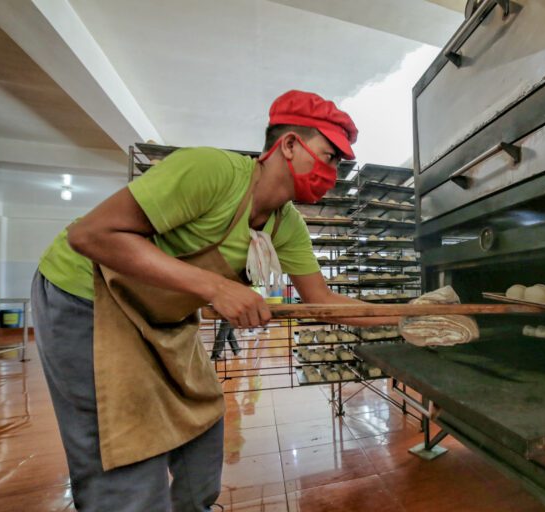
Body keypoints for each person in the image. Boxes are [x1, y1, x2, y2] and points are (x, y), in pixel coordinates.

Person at [31, 90, 398, 512]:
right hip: (87, 298)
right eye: (329, 156)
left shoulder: (285, 224)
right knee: (126, 453)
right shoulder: (212, 170)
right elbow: (91, 235)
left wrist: (410, 319)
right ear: (290, 144)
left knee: (203, 421)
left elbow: (322, 299)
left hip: (163, 317)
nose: (333, 172)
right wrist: (216, 287)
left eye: (338, 163)